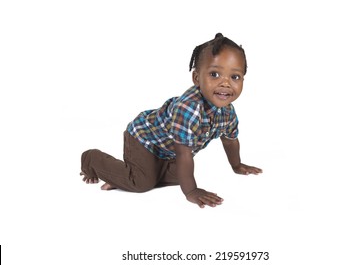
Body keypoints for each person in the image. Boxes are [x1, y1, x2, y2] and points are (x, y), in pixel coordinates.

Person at [80, 33, 262, 208]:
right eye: (214, 74)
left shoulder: (227, 112)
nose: (225, 83)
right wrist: (191, 191)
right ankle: (93, 161)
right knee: (142, 183)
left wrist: (236, 165)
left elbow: (230, 141)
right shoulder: (188, 109)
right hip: (144, 139)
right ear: (197, 78)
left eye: (235, 77)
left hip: (167, 151)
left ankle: (130, 175)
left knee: (179, 176)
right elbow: (183, 154)